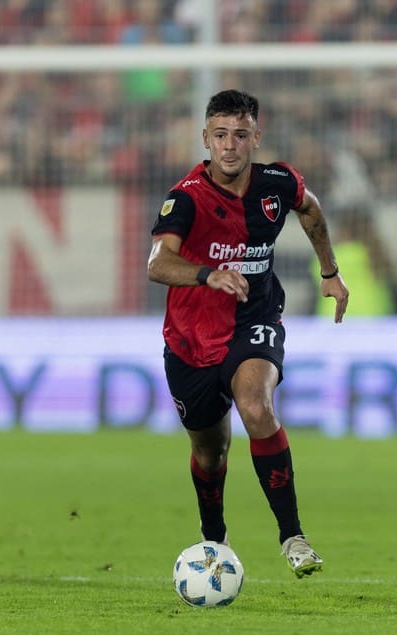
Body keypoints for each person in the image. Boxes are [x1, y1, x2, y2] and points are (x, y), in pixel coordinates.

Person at [147, 89, 349, 578]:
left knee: (256, 406)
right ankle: (213, 538)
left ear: (256, 137)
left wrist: (329, 271)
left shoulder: (278, 182)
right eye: (220, 136)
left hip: (252, 321)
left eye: (240, 135)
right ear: (206, 139)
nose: (230, 146)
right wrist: (206, 274)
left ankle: (293, 536)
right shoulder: (186, 198)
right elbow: (158, 264)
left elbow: (312, 210)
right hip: (190, 341)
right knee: (209, 452)